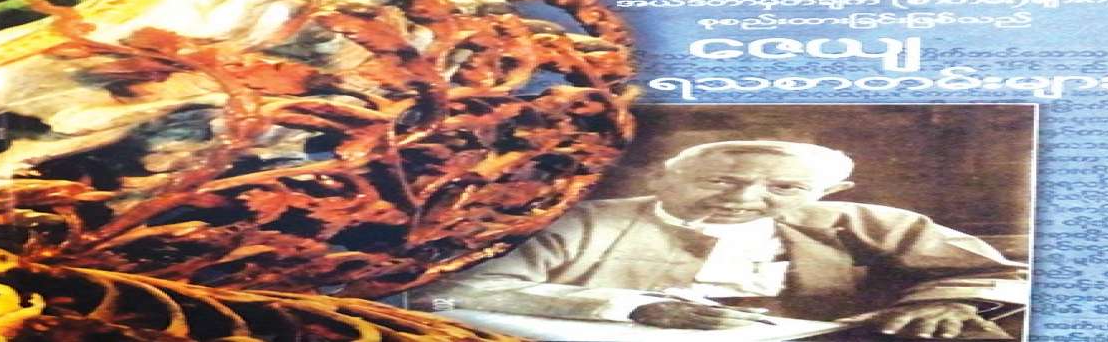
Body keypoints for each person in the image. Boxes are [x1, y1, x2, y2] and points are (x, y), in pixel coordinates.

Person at [411, 140, 1028, 339]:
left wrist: (944, 303)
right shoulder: (584, 220)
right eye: (720, 181)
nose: (746, 198)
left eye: (783, 188)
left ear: (823, 193)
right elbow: (460, 290)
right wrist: (636, 307)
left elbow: (993, 270)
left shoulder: (860, 221)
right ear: (662, 178)